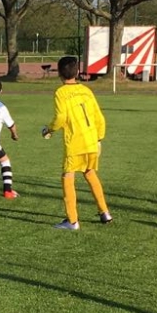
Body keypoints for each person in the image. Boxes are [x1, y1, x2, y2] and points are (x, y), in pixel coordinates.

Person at [42, 56, 112, 230]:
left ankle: (72, 221)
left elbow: (61, 117)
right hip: (92, 140)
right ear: (78, 72)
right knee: (90, 173)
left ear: (59, 73)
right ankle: (105, 212)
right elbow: (99, 117)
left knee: (68, 176)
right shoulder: (86, 90)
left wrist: (49, 129)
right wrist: (99, 138)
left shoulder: (61, 92)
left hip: (75, 142)